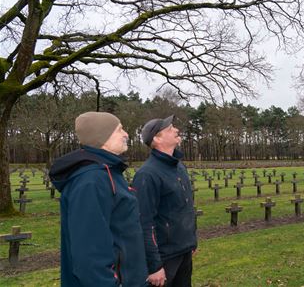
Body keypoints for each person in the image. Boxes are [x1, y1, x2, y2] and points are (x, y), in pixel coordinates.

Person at [49, 112, 148, 286]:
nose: (126, 134)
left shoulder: (110, 173)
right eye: (120, 129)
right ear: (102, 137)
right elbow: (89, 254)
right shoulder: (91, 181)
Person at [132, 115, 197, 287]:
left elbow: (187, 206)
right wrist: (154, 265)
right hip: (164, 257)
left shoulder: (179, 166)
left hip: (184, 250)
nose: (176, 130)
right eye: (170, 129)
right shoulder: (147, 175)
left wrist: (192, 240)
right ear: (157, 139)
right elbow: (144, 222)